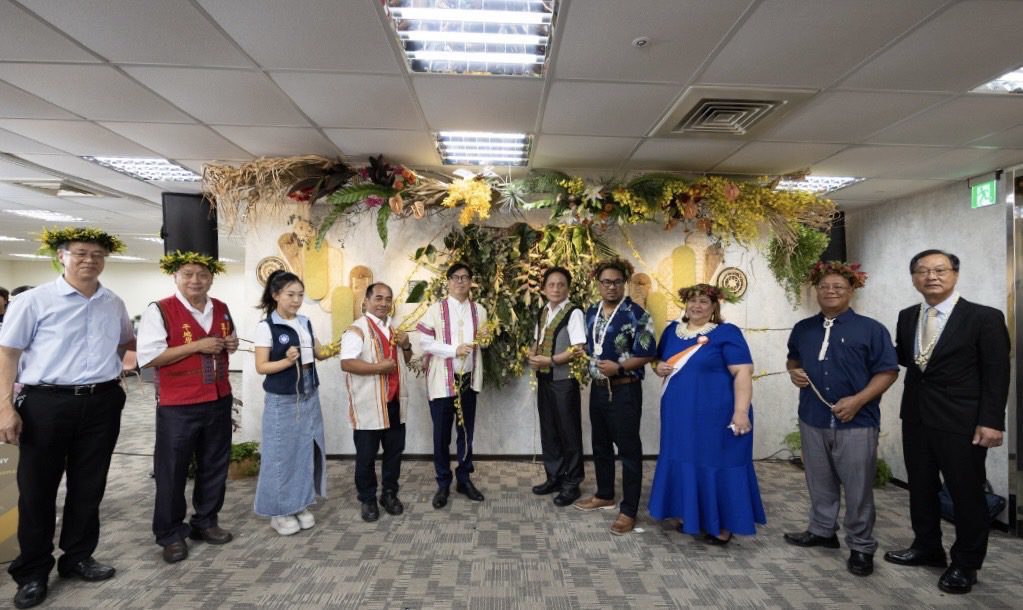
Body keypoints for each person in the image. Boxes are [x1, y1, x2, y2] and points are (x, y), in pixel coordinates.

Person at [0, 227, 134, 609]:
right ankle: (32, 572)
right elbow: (7, 354)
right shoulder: (34, 301)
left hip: (101, 403)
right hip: (46, 403)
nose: (89, 259)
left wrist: (117, 372)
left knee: (89, 486)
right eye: (80, 252)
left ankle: (77, 557)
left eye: (97, 254)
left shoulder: (113, 302)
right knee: (37, 490)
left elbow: (125, 341)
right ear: (61, 256)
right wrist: (5, 407)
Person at [884, 249, 1009, 595]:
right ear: (914, 278)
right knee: (921, 487)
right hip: (916, 417)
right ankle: (927, 547)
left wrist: (992, 421)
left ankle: (966, 563)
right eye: (923, 271)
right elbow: (903, 358)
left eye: (940, 270)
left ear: (955, 274)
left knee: (966, 493)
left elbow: (997, 373)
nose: (931, 276)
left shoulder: (984, 317)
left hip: (963, 422)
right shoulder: (908, 316)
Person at [783, 262, 898, 575]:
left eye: (838, 287)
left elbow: (888, 371)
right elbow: (793, 358)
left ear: (851, 291)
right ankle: (822, 531)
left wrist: (858, 400)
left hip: (857, 421)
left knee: (858, 487)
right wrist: (794, 371)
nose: (830, 291)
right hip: (812, 416)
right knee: (819, 481)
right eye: (824, 287)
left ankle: (861, 546)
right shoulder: (803, 328)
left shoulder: (871, 329)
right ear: (816, 291)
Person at [136, 251, 238, 564]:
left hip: (218, 398)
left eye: (203, 275)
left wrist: (231, 343)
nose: (196, 280)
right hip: (179, 405)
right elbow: (149, 358)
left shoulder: (221, 308)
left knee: (214, 465)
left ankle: (205, 521)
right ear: (176, 276)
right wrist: (197, 345)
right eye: (188, 274)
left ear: (211, 278)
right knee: (172, 470)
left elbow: (228, 339)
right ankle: (170, 534)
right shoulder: (160, 310)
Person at [648, 283, 765, 544]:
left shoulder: (726, 333)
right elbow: (657, 360)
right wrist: (658, 367)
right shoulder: (672, 331)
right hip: (679, 415)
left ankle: (723, 525)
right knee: (684, 459)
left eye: (703, 301)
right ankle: (689, 514)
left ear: (714, 307)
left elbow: (743, 372)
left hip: (715, 416)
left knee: (716, 463)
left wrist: (741, 411)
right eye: (692, 300)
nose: (696, 306)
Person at [575, 258, 656, 536]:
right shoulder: (592, 311)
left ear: (625, 283)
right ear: (598, 284)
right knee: (600, 445)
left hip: (625, 388)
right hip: (598, 389)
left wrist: (619, 367)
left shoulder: (637, 314)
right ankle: (604, 494)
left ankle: (629, 510)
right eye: (606, 282)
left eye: (617, 282)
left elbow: (647, 353)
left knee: (629, 450)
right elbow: (592, 346)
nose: (611, 287)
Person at [253, 270, 334, 535]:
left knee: (305, 451)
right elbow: (262, 366)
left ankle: (299, 504)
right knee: (281, 455)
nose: (296, 300)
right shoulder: (266, 327)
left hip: (310, 394)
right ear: (276, 295)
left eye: (300, 295)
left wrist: (344, 341)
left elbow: (320, 353)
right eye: (290, 295)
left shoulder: (305, 322)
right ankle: (280, 511)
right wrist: (287, 361)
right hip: (283, 401)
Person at [416, 262, 489, 509]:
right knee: (441, 434)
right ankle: (443, 482)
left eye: (465, 277)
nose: (460, 281)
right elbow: (425, 342)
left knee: (466, 432)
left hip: (467, 378)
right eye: (455, 277)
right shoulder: (435, 310)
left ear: (471, 282)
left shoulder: (479, 310)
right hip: (442, 380)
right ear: (447, 281)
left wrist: (486, 338)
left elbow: (484, 342)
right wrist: (453, 350)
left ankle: (464, 478)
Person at [340, 283, 411, 522]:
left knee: (394, 453)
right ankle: (368, 498)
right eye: (378, 298)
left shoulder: (394, 330)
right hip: (368, 405)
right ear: (367, 301)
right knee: (366, 455)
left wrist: (406, 345)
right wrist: (377, 368)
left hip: (394, 403)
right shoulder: (356, 330)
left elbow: (406, 360)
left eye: (388, 299)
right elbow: (346, 363)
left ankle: (389, 494)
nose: (383, 303)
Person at [526, 266, 586, 507]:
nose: (556, 288)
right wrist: (532, 354)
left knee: (569, 432)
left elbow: (578, 349)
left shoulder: (574, 312)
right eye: (551, 284)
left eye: (561, 284)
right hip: (545, 379)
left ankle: (572, 483)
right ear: (543, 289)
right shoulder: (544, 311)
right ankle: (555, 477)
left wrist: (550, 360)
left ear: (568, 288)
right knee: (549, 430)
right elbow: (537, 340)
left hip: (564, 381)